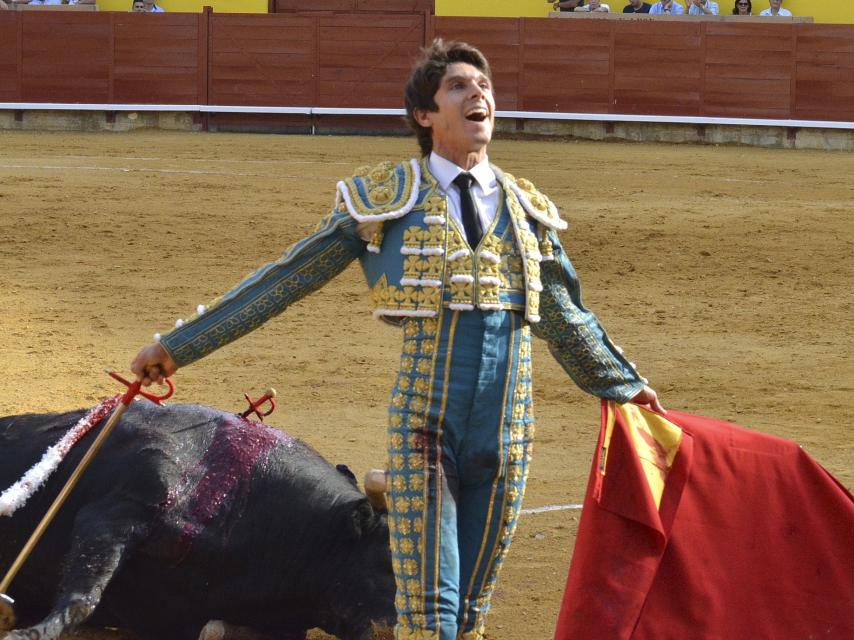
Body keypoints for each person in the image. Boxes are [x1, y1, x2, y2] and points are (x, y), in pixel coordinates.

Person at [131, 38, 663, 640]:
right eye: (459, 87)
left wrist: (625, 385)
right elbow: (287, 278)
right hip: (425, 425)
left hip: (510, 429)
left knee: (469, 613)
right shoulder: (388, 198)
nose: (477, 94)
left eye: (482, 85)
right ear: (425, 115)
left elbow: (565, 313)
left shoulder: (527, 208)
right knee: (430, 615)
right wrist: (180, 344)